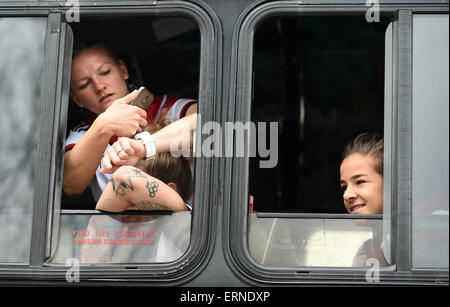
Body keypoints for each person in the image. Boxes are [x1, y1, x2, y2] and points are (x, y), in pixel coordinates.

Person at [63, 41, 197, 202]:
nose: (99, 86)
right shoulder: (83, 134)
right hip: (130, 227)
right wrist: (104, 125)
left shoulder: (170, 109)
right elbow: (70, 184)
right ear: (76, 99)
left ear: (123, 70)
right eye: (84, 84)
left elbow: (211, 126)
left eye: (105, 72)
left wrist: (143, 146)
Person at [96, 120, 193, 212]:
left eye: (133, 201)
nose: (126, 206)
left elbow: (122, 178)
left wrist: (142, 147)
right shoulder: (121, 226)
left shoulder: (185, 221)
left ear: (171, 190)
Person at [339, 132, 387, 267]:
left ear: (391, 183)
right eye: (344, 187)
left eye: (360, 182)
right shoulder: (364, 253)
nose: (347, 195)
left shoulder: (423, 242)